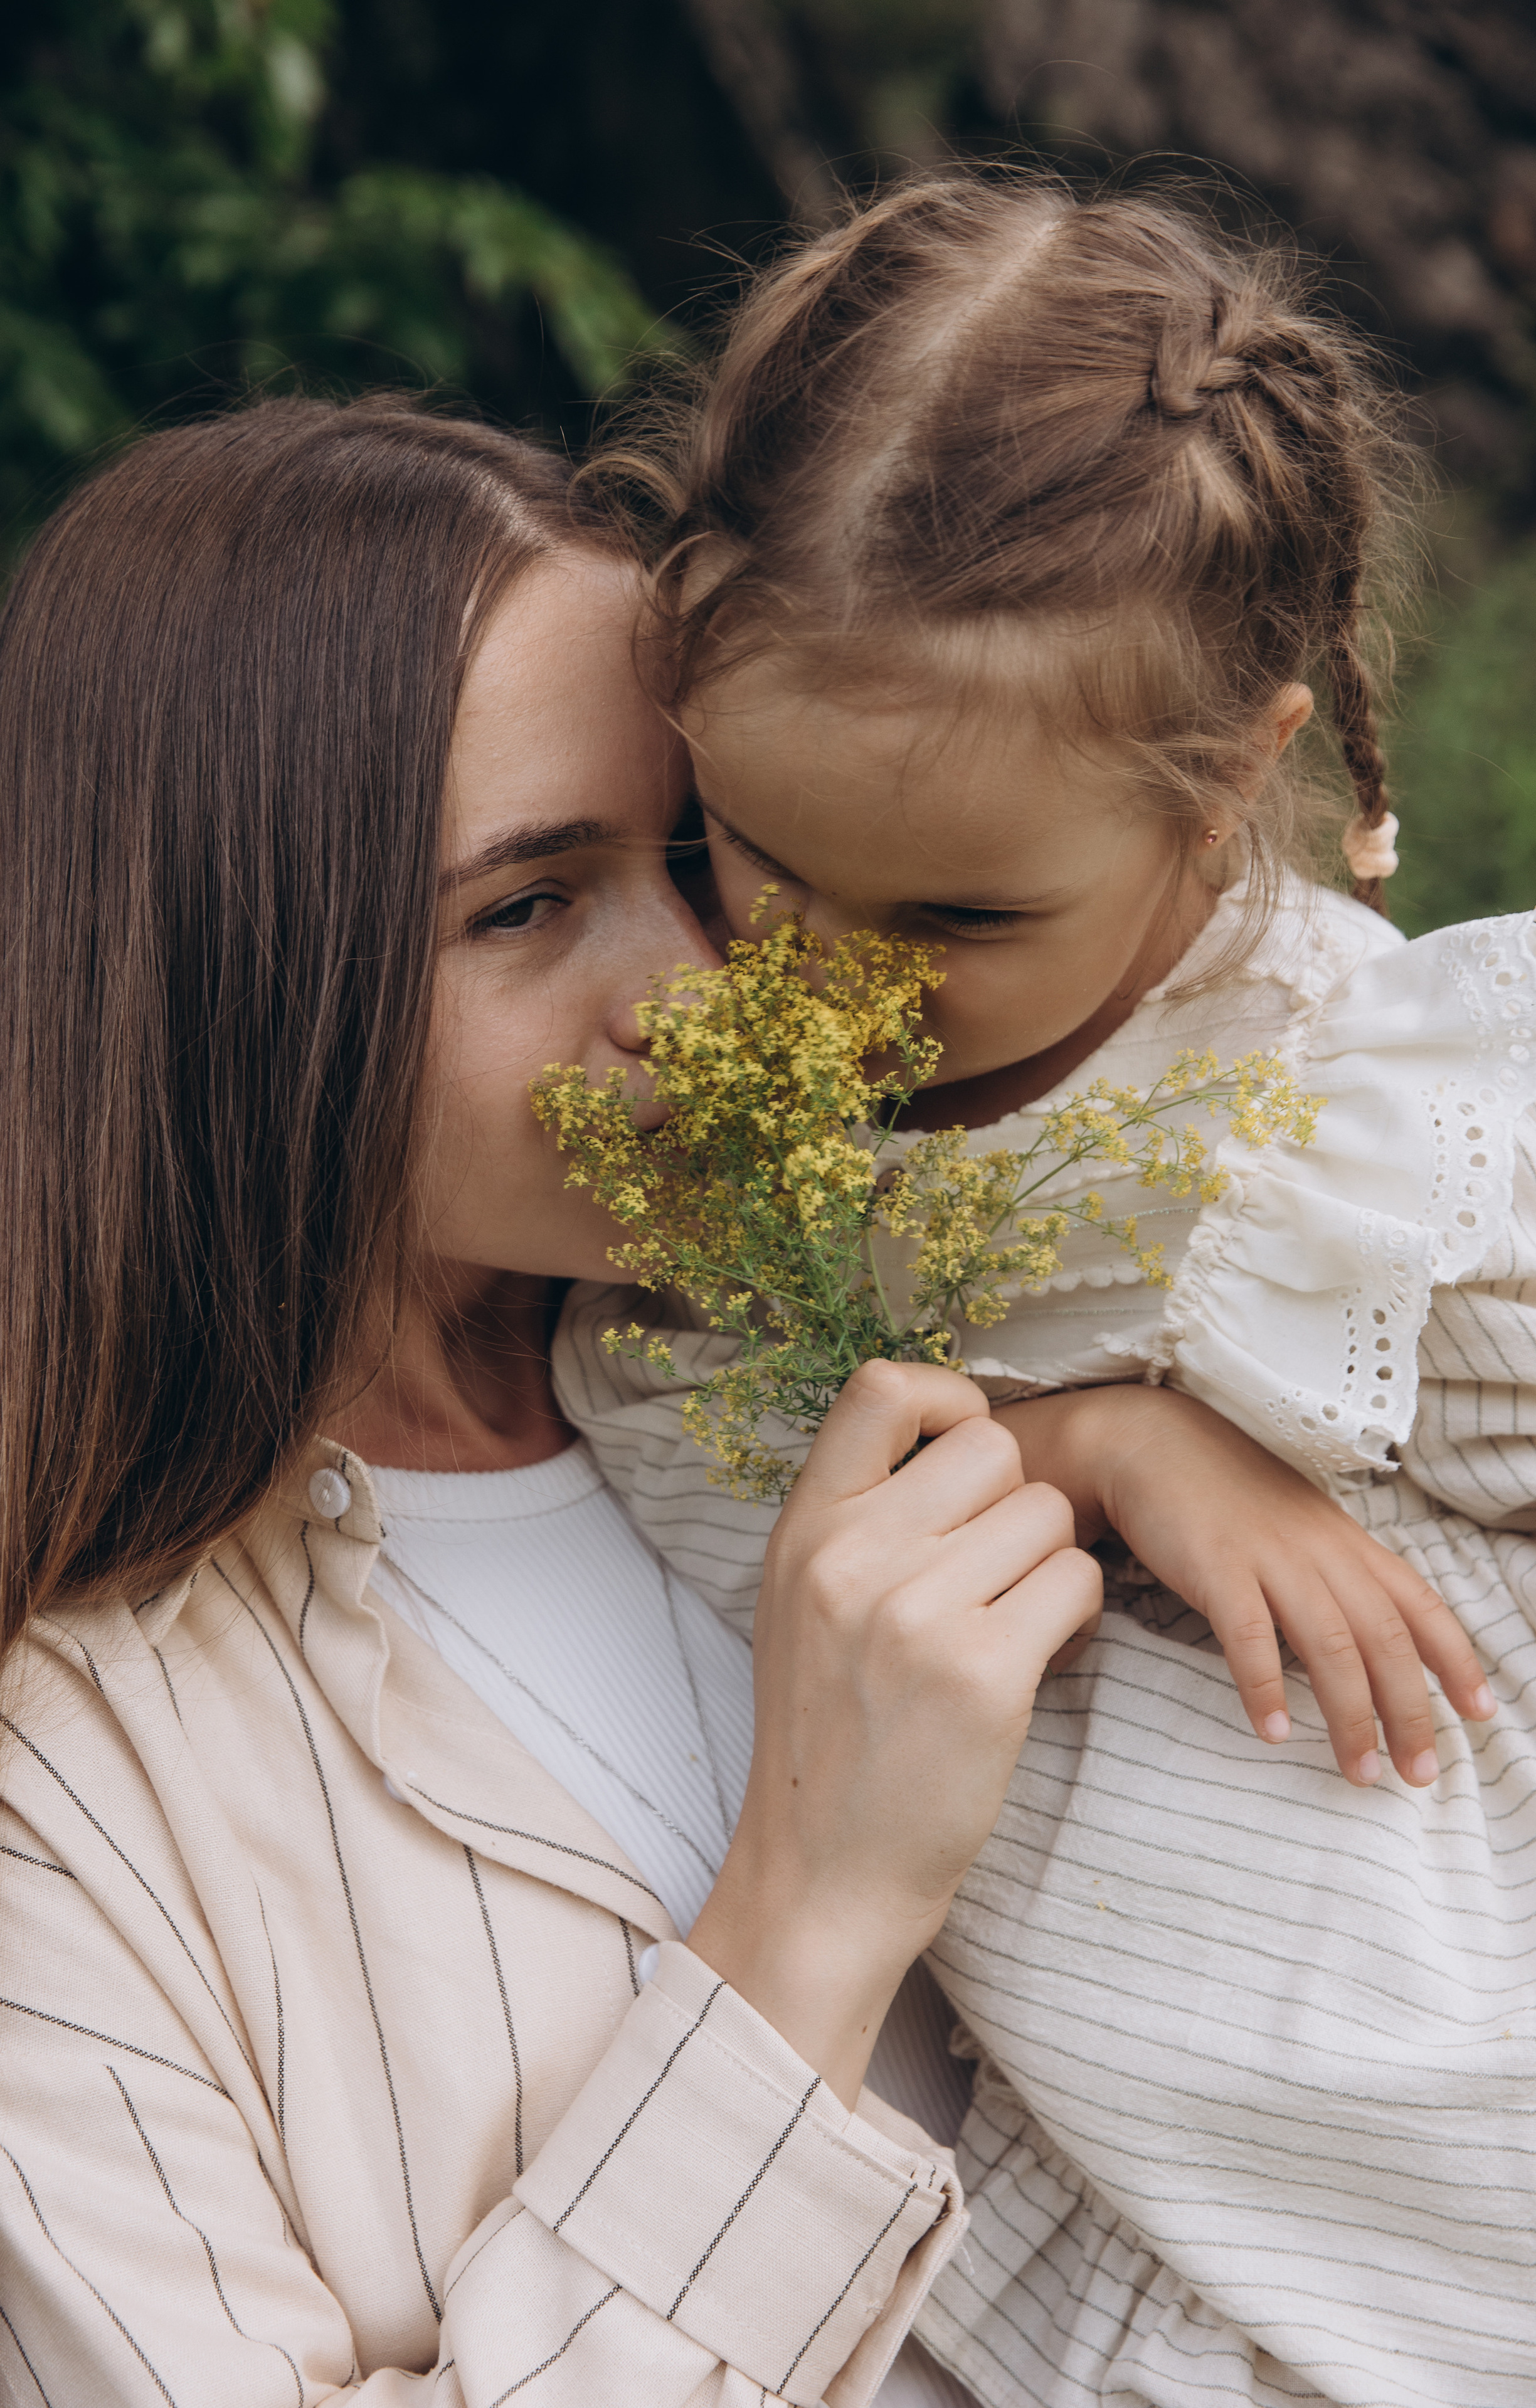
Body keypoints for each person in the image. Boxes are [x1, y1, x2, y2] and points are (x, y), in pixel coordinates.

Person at [551, 172, 1536, 2402]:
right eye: (757, 856)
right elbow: (701, 1478)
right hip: (1139, 2112)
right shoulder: (718, 1160)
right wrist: (1105, 1448)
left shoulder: (1362, 1086)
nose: (830, 976)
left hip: (1485, 1970)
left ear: (1226, 782)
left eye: (953, 925)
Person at [0, 394, 1110, 2407]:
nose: (700, 987)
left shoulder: (938, 1300)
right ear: (250, 987)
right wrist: (807, 1911)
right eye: (529, 904)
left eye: (700, 853)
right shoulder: (61, 1793)